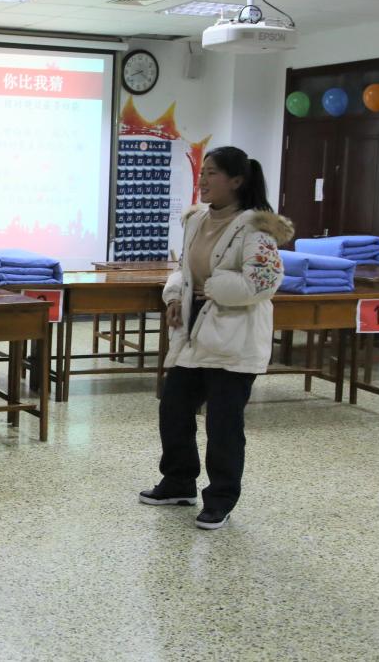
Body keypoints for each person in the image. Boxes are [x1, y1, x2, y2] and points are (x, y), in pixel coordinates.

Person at [139, 146, 294, 530]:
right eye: (202, 172)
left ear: (236, 181)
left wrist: (213, 287)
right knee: (173, 409)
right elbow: (184, 270)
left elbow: (264, 282)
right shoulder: (196, 220)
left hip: (234, 341)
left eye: (212, 173)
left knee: (224, 424)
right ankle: (178, 482)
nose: (203, 180)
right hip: (194, 336)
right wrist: (175, 297)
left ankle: (221, 498)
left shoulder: (255, 228)